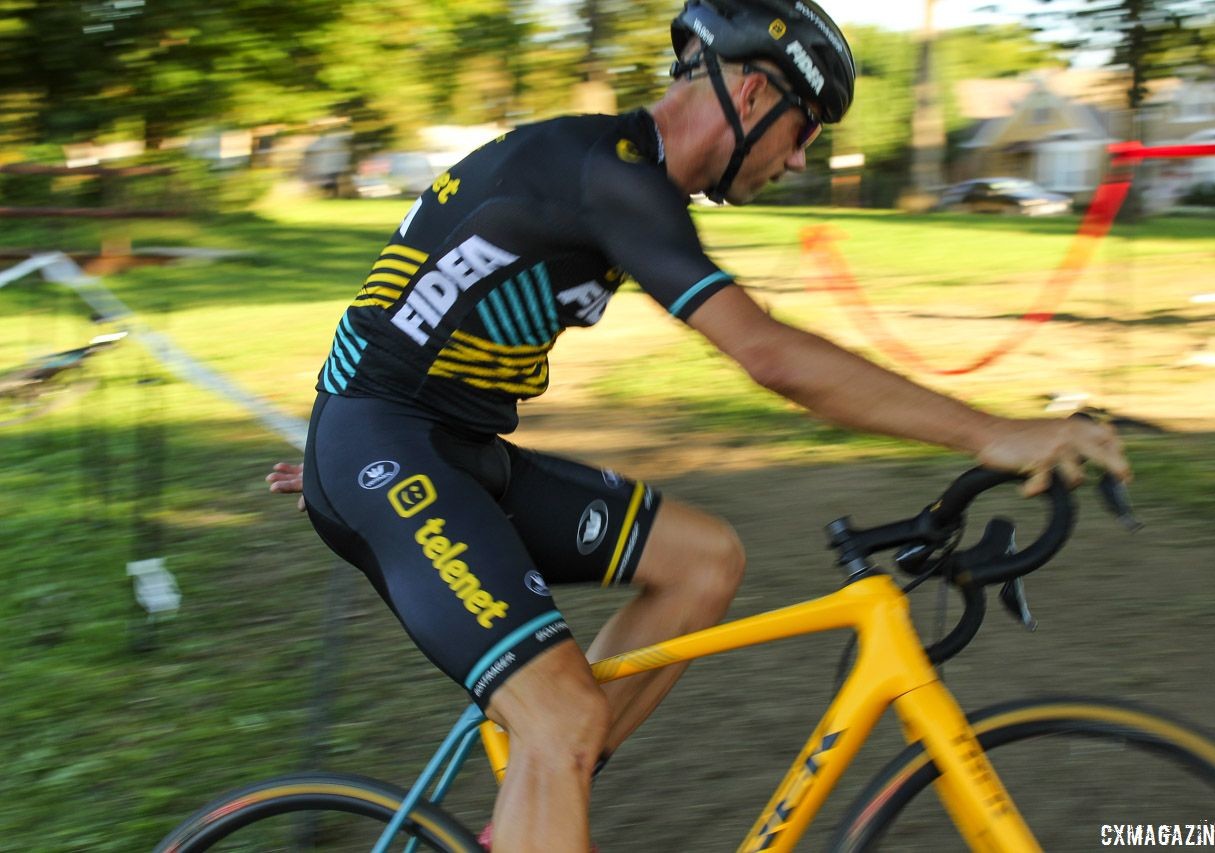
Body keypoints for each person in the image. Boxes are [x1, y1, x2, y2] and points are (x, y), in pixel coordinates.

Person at [267, 1, 1132, 849]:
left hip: (439, 448)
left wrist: (338, 431)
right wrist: (992, 432)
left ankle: (537, 802)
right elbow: (770, 356)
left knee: (703, 560)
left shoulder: (612, 169)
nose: (797, 160)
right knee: (559, 713)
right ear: (753, 95)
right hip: (392, 450)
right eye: (805, 129)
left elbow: (411, 282)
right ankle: (551, 760)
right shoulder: (609, 175)